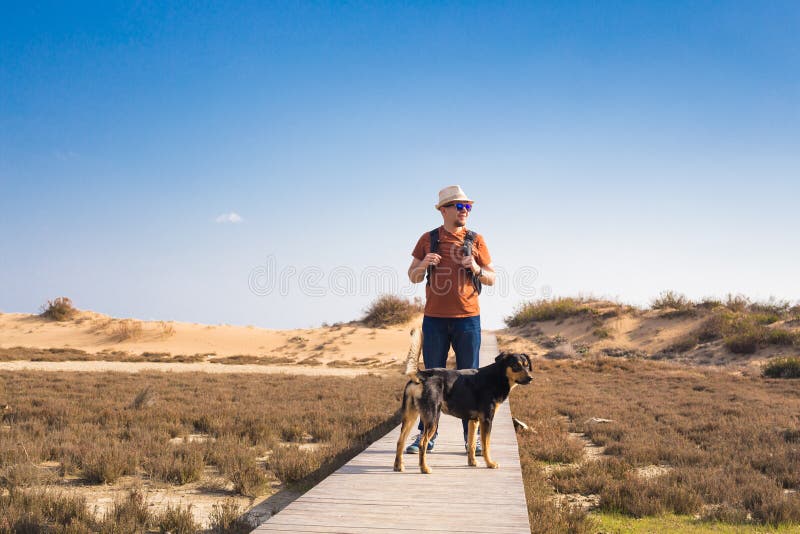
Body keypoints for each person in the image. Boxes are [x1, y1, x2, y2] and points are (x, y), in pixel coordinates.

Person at [405, 185, 495, 455]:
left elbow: (491, 277)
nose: (465, 210)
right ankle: (427, 436)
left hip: (468, 318)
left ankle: (473, 440)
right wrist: (424, 264)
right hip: (434, 320)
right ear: (443, 210)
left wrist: (477, 269)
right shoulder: (428, 239)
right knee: (432, 381)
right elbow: (413, 276)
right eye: (459, 206)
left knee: (471, 379)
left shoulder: (476, 239)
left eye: (468, 206)